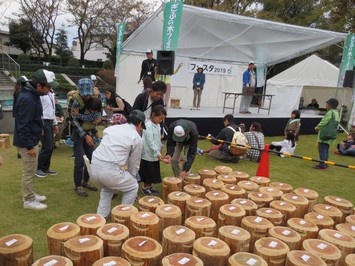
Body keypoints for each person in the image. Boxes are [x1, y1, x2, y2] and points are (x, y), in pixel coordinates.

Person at [13, 69, 59, 210]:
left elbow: (32, 119)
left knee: (31, 170)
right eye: (49, 87)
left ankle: (31, 194)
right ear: (39, 85)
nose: (50, 90)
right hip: (27, 142)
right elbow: (23, 125)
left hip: (31, 139)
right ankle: (28, 200)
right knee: (28, 172)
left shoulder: (31, 94)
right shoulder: (28, 98)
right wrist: (29, 146)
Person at [90, 110, 146, 218]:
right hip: (109, 171)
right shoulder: (137, 138)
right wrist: (131, 177)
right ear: (139, 124)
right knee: (133, 186)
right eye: (141, 128)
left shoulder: (111, 129)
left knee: (107, 188)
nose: (140, 130)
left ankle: (101, 217)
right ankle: (123, 217)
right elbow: (134, 163)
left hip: (94, 168)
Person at [68, 78, 101, 196]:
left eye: (89, 94)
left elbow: (98, 112)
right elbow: (73, 120)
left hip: (89, 132)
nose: (87, 97)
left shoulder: (95, 97)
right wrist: (84, 135)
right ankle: (77, 186)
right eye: (85, 95)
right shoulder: (74, 100)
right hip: (78, 134)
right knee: (80, 161)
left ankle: (85, 182)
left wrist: (98, 119)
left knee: (91, 159)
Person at [139, 105, 169, 196]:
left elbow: (157, 138)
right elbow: (150, 141)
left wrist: (160, 146)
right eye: (160, 118)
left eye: (162, 119)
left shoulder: (157, 125)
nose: (161, 121)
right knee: (148, 171)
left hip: (155, 154)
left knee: (153, 172)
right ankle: (145, 188)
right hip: (148, 154)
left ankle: (150, 187)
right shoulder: (147, 126)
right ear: (153, 115)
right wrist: (157, 152)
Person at [36, 88, 60, 177]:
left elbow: (52, 110)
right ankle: (38, 168)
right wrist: (40, 125)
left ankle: (45, 168)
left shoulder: (51, 93)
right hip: (44, 121)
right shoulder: (41, 94)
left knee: (50, 146)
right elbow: (38, 110)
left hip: (50, 121)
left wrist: (55, 124)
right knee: (47, 146)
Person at [314, 98, 340, 170]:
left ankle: (322, 164)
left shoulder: (330, 112)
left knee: (322, 149)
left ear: (330, 105)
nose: (326, 104)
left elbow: (324, 121)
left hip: (325, 134)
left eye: (327, 103)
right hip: (331, 134)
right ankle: (326, 163)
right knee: (326, 148)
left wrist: (317, 127)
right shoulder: (336, 112)